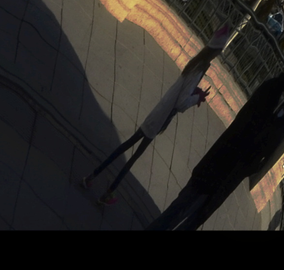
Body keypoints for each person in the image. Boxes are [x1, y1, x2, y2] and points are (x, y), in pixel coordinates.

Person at [144, 43, 284, 231]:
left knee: (183, 210)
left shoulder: (273, 90)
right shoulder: (272, 94)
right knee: (183, 212)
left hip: (220, 167)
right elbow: (259, 143)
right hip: (221, 170)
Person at [81, 23, 237, 204]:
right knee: (132, 156)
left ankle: (93, 177)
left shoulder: (196, 61)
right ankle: (107, 190)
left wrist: (194, 93)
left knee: (127, 147)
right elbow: (181, 103)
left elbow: (181, 91)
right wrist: (197, 98)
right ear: (217, 52)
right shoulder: (200, 69)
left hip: (159, 110)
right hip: (161, 117)